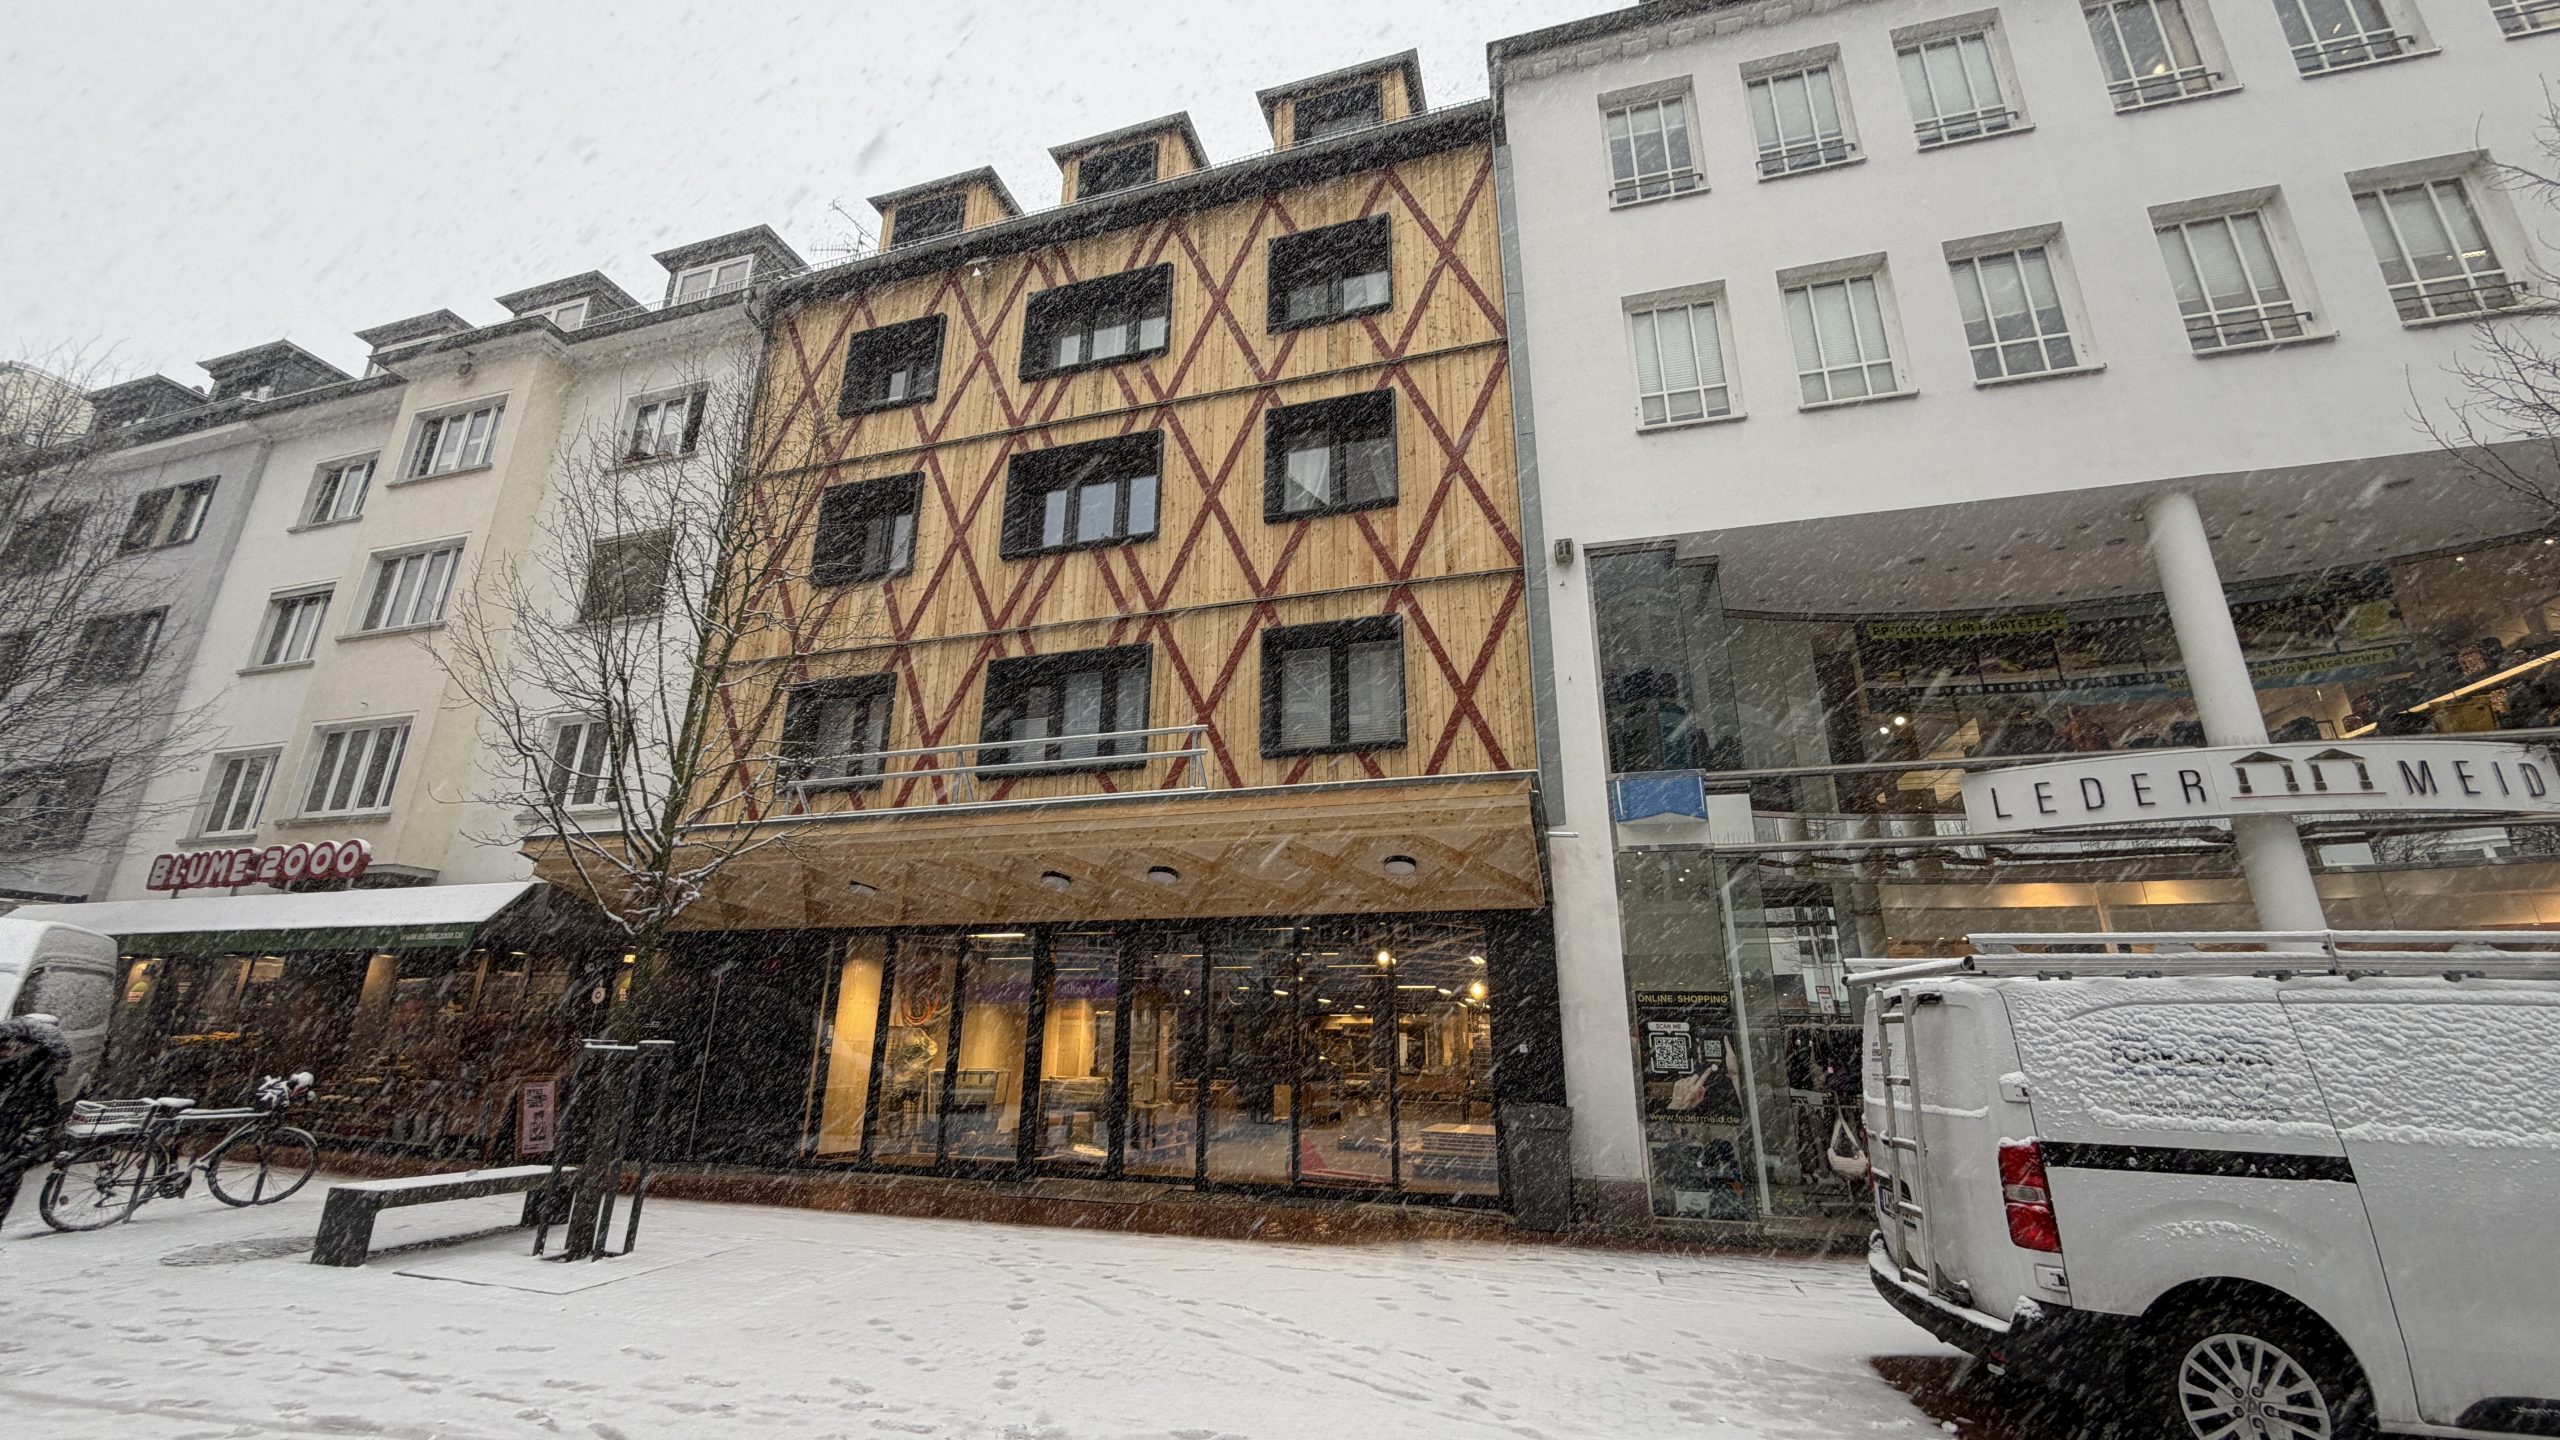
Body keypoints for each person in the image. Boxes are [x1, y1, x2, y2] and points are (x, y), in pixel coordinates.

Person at [0, 1015, 72, 1233]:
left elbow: (42, 1126)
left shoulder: (39, 1086)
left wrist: (19, 1152)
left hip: (7, 1157)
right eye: (4, 1046)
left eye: (11, 1047)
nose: (5, 1051)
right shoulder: (8, 1071)